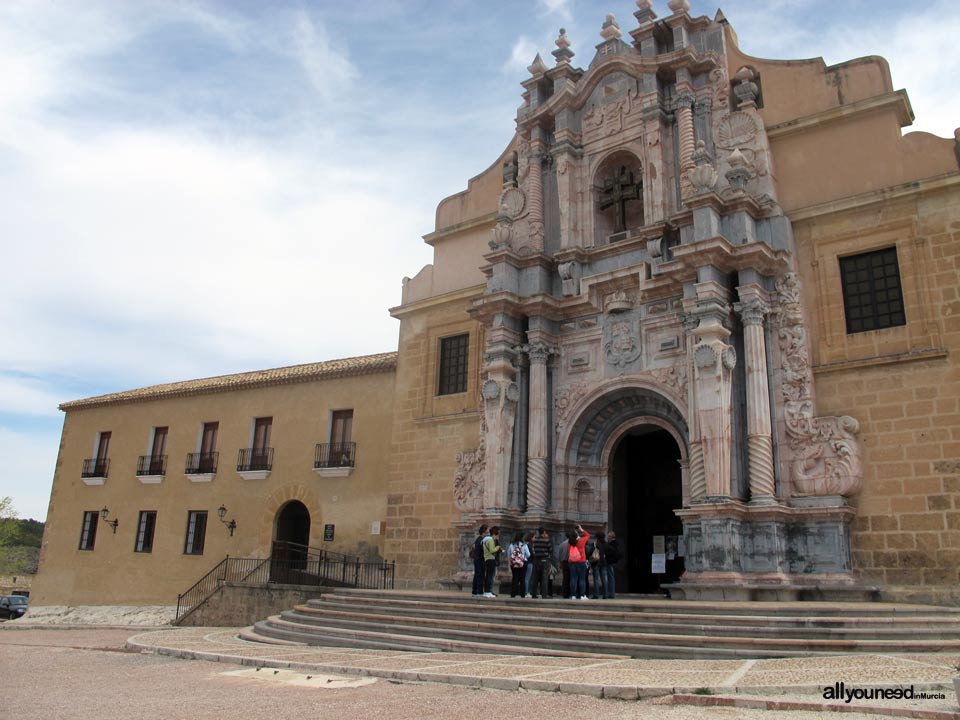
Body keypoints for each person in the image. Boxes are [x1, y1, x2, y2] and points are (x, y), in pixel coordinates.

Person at [567, 524, 590, 600]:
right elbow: (588, 535)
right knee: (582, 579)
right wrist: (581, 529)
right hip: (581, 561)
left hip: (572, 562)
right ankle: (582, 595)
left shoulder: (570, 542)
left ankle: (573, 595)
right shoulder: (581, 541)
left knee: (573, 578)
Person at [530, 527, 553, 598]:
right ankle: (544, 594)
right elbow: (550, 550)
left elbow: (533, 549)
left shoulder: (535, 541)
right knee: (544, 577)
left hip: (536, 560)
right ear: (544, 532)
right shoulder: (547, 540)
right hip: (544, 560)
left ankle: (533, 593)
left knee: (535, 577)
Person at [482, 526, 501, 597]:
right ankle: (487, 591)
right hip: (490, 559)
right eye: (497, 534)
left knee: (489, 576)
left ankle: (488, 591)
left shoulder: (486, 540)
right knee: (490, 576)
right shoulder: (490, 540)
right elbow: (492, 550)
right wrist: (498, 547)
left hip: (487, 559)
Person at [507, 532, 528, 598]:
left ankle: (513, 593)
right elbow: (528, 554)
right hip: (523, 563)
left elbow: (509, 555)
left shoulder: (511, 545)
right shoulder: (524, 545)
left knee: (515, 578)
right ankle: (522, 594)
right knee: (522, 579)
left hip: (514, 564)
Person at [471, 524, 488, 596]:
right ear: (483, 532)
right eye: (486, 532)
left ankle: (475, 591)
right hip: (480, 559)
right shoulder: (482, 540)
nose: (487, 534)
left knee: (477, 575)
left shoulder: (478, 539)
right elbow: (483, 550)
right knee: (480, 575)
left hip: (477, 559)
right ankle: (479, 591)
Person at [589, 531, 606, 599]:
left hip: (596, 563)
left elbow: (591, 552)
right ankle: (605, 594)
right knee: (603, 579)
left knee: (596, 579)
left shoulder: (595, 544)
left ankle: (596, 594)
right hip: (603, 563)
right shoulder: (606, 544)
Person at [604, 530, 620, 599]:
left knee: (610, 578)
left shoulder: (612, 544)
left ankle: (611, 593)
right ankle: (611, 593)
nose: (607, 538)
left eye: (608, 537)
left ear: (610, 537)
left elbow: (611, 553)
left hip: (610, 562)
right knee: (611, 577)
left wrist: (605, 554)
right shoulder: (617, 544)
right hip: (614, 562)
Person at [557, 534, 570, 599]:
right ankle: (572, 593)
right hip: (572, 562)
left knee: (565, 579)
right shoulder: (573, 543)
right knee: (572, 578)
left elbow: (559, 556)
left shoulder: (562, 544)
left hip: (564, 562)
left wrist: (560, 563)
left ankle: (565, 593)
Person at [522, 532, 535, 598]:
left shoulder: (524, 544)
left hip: (525, 562)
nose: (534, 539)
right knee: (527, 578)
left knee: (526, 578)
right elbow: (530, 554)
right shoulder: (529, 545)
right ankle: (526, 592)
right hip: (529, 562)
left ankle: (526, 591)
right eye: (534, 537)